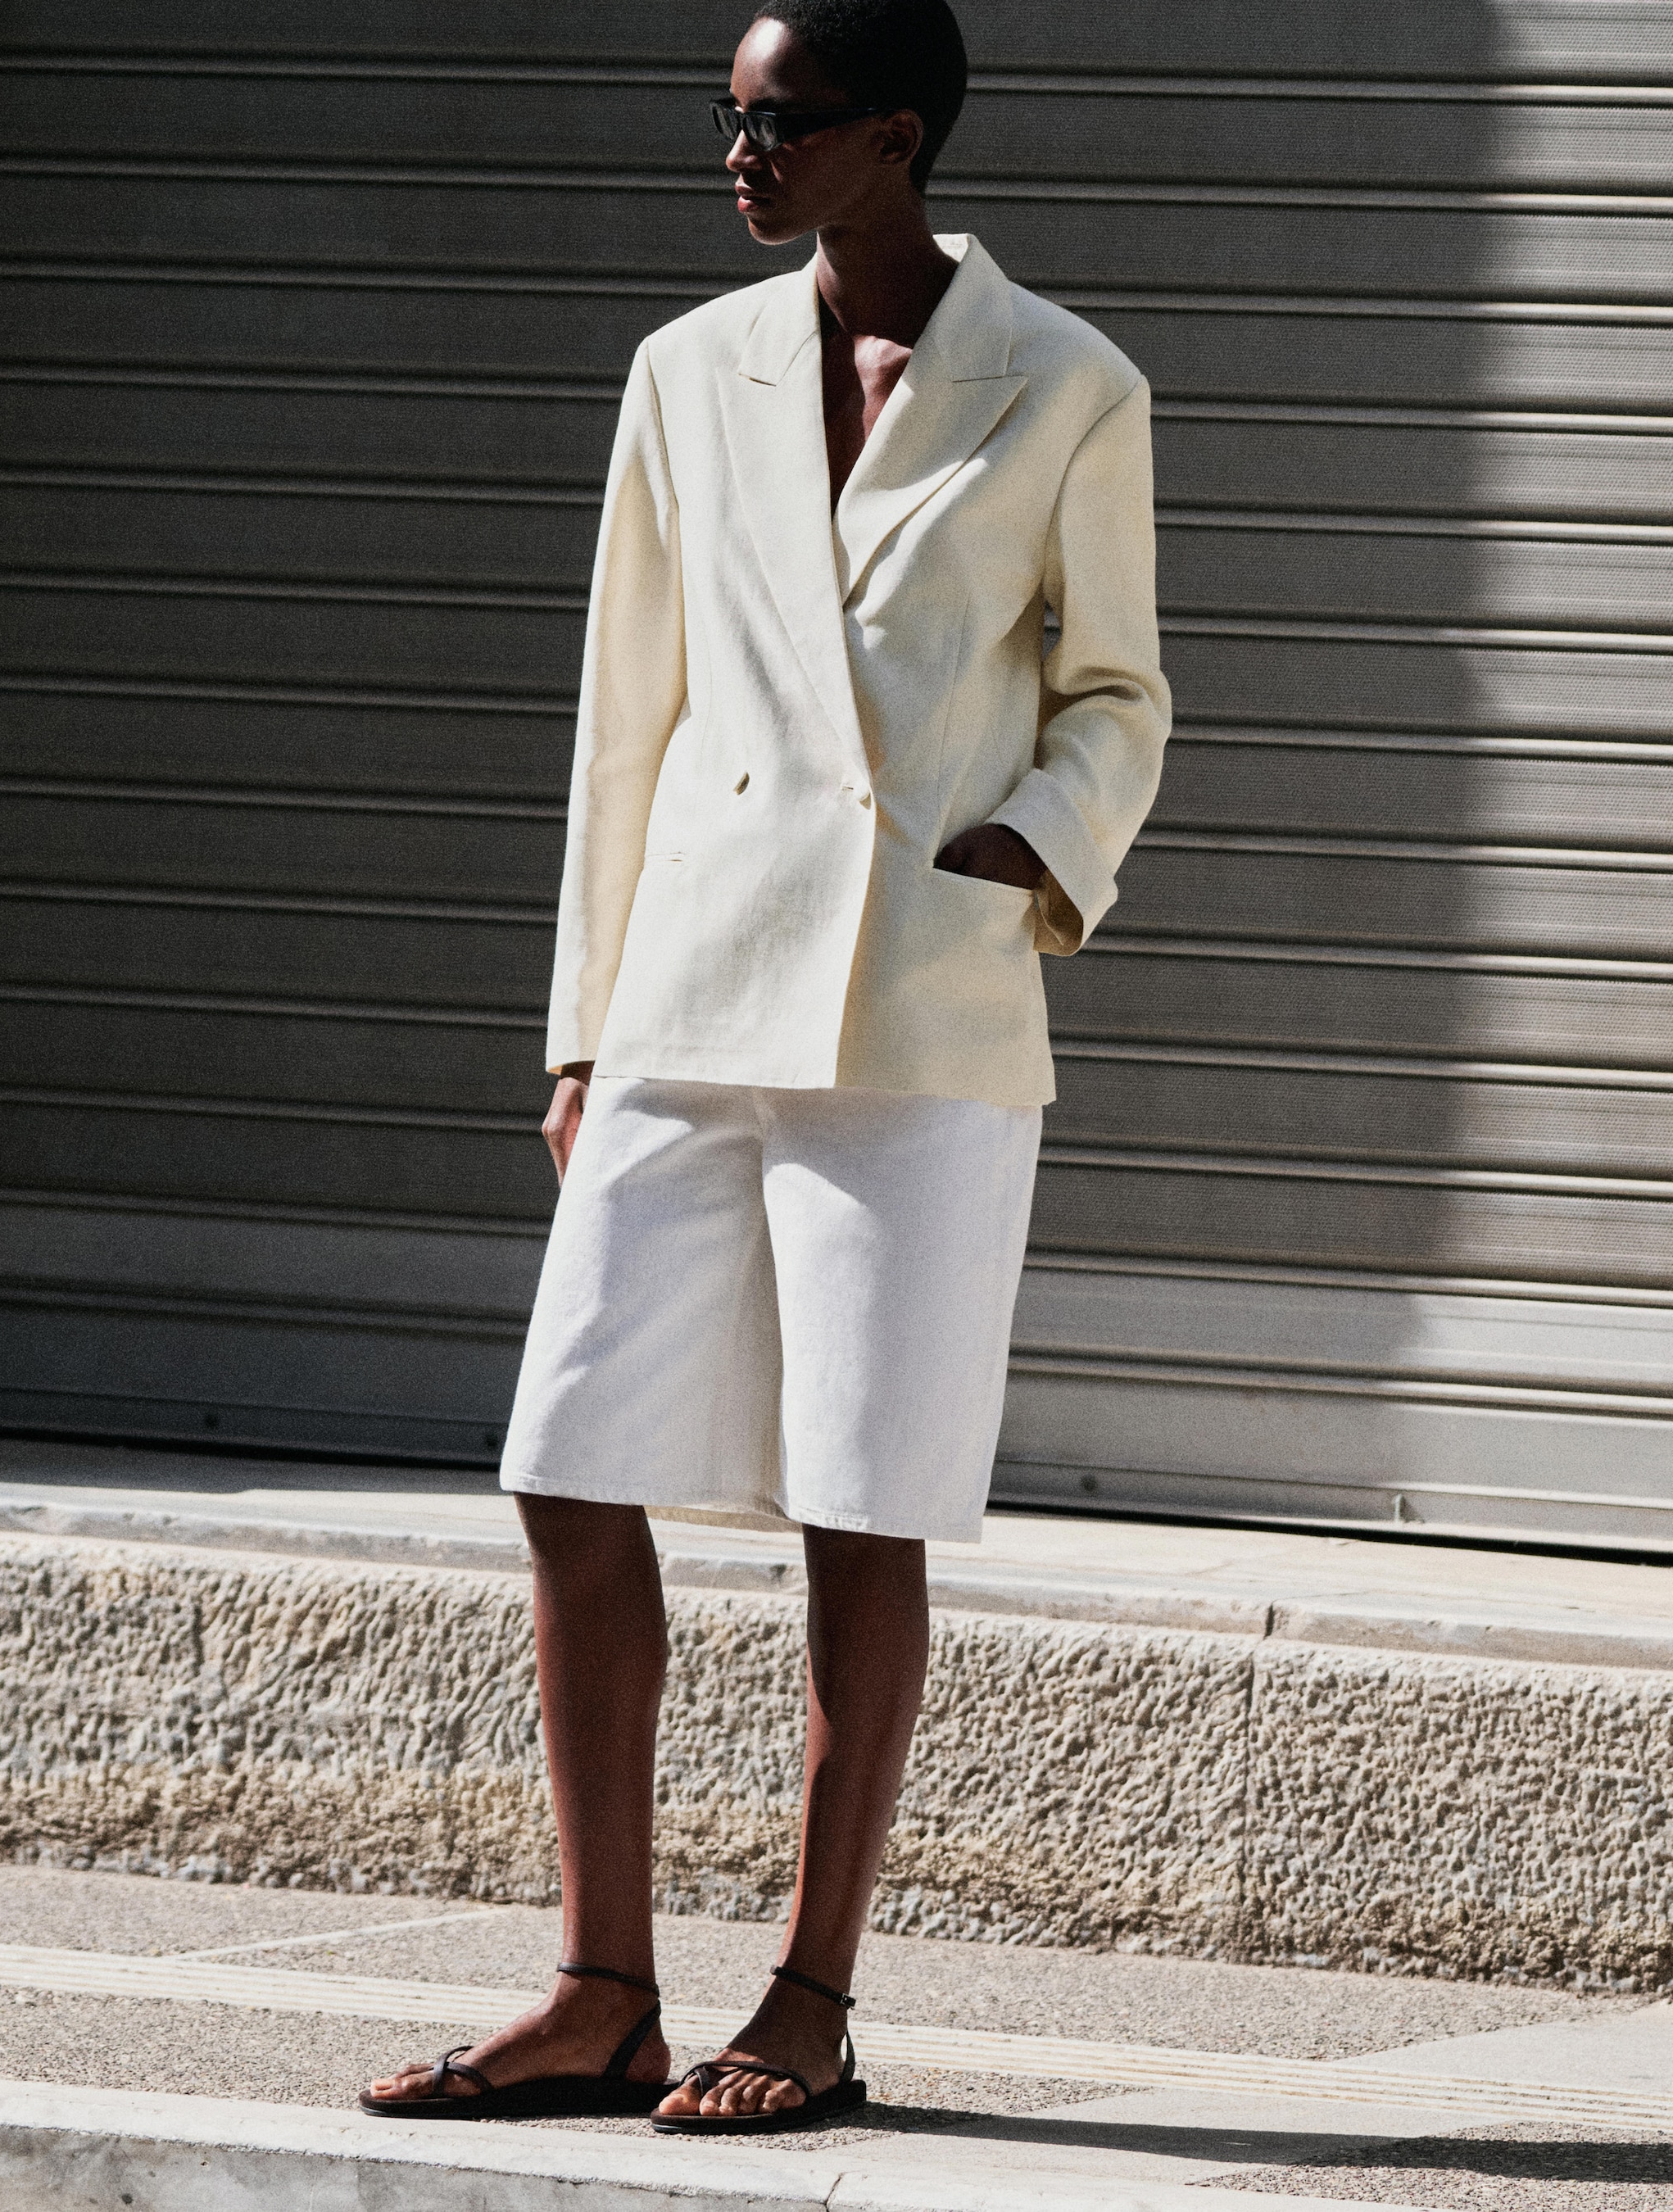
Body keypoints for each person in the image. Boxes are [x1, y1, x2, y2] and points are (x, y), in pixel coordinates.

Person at [361, 0, 1167, 2137]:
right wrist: (577, 1019)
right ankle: (601, 1981)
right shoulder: (684, 373)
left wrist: (1025, 853)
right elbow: (624, 711)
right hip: (689, 993)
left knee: (860, 1502)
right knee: (563, 1454)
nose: (739, 154)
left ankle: (806, 1991)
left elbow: (1119, 695)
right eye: (730, 119)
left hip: (917, 1010)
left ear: (894, 138)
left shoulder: (1068, 384)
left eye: (782, 122)